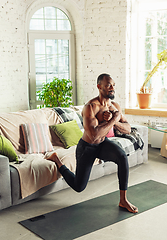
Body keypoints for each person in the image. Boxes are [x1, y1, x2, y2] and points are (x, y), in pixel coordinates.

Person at [45, 73, 138, 213]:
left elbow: (128, 129)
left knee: (122, 156)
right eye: (108, 85)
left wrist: (115, 119)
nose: (112, 87)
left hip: (103, 143)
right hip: (87, 147)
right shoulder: (90, 107)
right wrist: (113, 120)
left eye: (113, 84)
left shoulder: (114, 106)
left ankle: (123, 200)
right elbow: (93, 136)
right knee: (79, 186)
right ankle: (57, 160)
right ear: (99, 87)